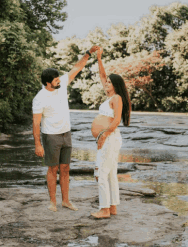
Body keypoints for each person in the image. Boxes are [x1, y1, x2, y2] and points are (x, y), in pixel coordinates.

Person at [32, 46, 99, 212]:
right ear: (48, 83)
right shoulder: (39, 99)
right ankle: (53, 202)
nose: (59, 81)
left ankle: (66, 201)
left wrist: (88, 53)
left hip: (66, 133)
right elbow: (35, 123)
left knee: (65, 168)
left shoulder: (61, 85)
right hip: (51, 136)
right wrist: (38, 144)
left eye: (58, 79)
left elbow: (77, 68)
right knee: (52, 169)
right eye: (55, 80)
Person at [91, 47, 131, 219]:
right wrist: (99, 58)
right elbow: (101, 75)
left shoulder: (116, 98)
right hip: (110, 138)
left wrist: (103, 135)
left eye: (108, 82)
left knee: (100, 173)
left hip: (109, 139)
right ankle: (112, 207)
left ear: (115, 85)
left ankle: (104, 209)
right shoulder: (110, 97)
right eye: (106, 82)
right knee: (111, 174)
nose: (105, 83)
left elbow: (116, 120)